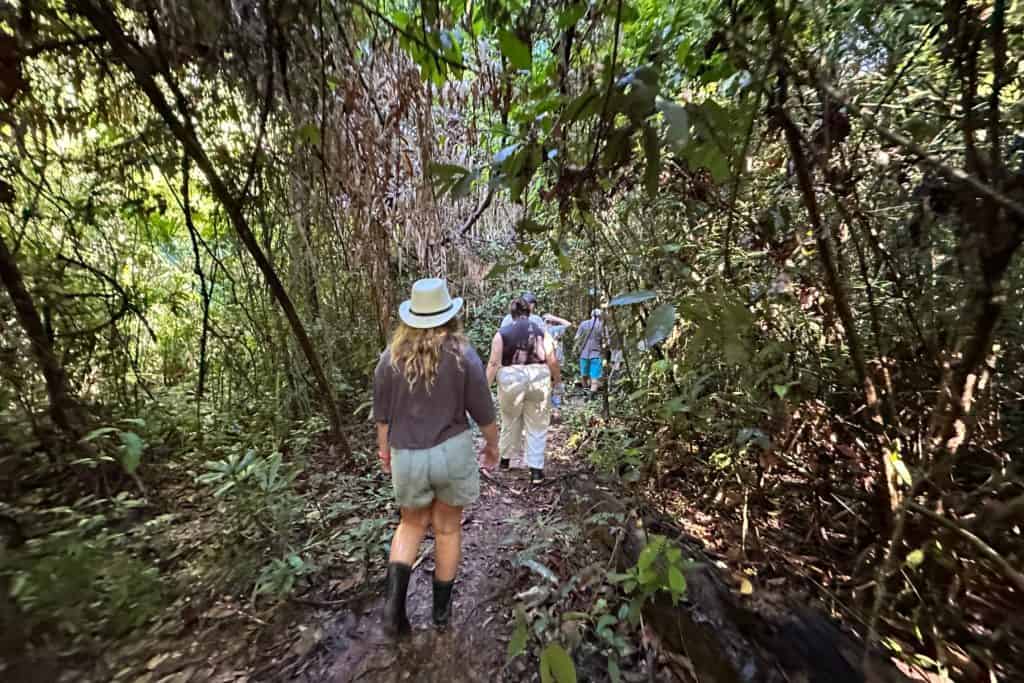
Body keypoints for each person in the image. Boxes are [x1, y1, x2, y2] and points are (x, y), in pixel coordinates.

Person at [373, 278, 500, 637]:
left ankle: (393, 612)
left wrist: (385, 452)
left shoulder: (389, 358)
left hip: (407, 455)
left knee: (410, 525)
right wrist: (493, 446)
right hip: (451, 452)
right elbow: (484, 412)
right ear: (449, 315)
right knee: (446, 530)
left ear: (411, 317)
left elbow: (383, 417)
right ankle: (441, 617)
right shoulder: (463, 355)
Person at [487, 298, 561, 484]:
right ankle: (536, 471)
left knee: (510, 419)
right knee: (537, 423)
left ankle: (505, 460)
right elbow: (552, 360)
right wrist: (557, 381)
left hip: (511, 378)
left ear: (511, 314)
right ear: (529, 313)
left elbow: (494, 363)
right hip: (538, 377)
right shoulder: (542, 333)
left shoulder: (501, 334)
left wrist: (484, 386)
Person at [575, 308, 607, 397]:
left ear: (591, 315)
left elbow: (576, 338)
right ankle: (592, 397)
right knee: (594, 377)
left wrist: (579, 347)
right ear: (600, 316)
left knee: (584, 375)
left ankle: (585, 393)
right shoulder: (602, 326)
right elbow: (606, 341)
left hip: (584, 353)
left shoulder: (583, 324)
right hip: (596, 353)